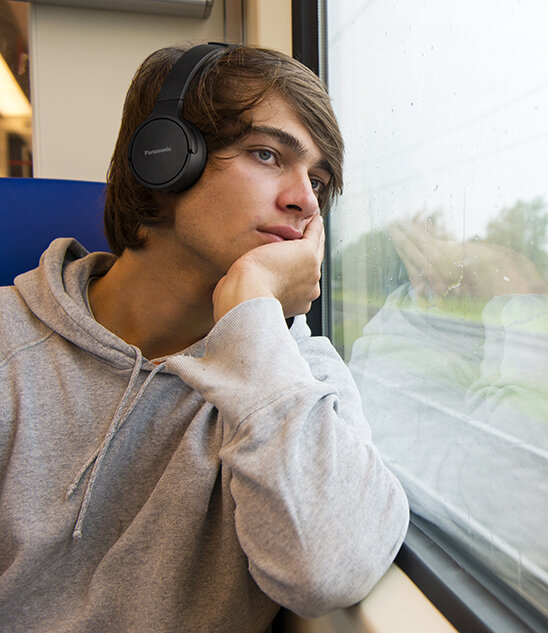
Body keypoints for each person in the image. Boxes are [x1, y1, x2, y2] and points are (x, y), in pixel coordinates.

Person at [0, 43, 409, 632]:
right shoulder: (12, 342)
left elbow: (331, 572)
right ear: (164, 158)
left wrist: (253, 312)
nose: (303, 201)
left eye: (318, 181)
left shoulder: (294, 377)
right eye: (267, 154)